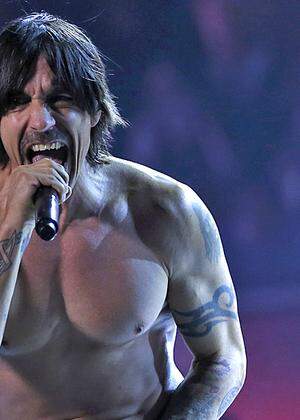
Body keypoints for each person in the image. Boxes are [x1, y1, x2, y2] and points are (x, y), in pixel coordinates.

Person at [0, 12, 246, 420]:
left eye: (61, 100)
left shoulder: (166, 211)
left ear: (95, 112)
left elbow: (222, 358)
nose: (41, 121)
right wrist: (11, 228)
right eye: (18, 103)